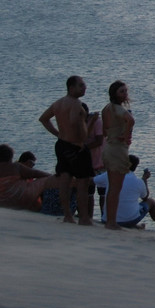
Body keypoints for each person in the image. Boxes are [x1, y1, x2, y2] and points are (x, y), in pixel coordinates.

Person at [38, 75, 95, 224]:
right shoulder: (76, 103)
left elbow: (43, 119)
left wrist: (58, 133)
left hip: (62, 144)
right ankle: (84, 218)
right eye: (81, 85)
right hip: (75, 146)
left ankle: (67, 215)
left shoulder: (58, 103)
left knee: (65, 180)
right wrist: (83, 136)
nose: (84, 88)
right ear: (71, 88)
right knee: (83, 182)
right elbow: (74, 122)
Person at [92, 154, 155, 232]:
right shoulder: (138, 181)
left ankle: (135, 226)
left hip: (106, 220)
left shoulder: (110, 175)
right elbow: (145, 197)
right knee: (151, 202)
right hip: (128, 220)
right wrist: (144, 179)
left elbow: (93, 181)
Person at [101, 80, 135, 231]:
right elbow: (131, 120)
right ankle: (111, 221)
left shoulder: (106, 109)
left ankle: (110, 219)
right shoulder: (118, 109)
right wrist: (126, 135)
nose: (125, 94)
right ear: (114, 93)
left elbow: (104, 131)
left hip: (108, 147)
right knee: (115, 188)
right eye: (122, 91)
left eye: (125, 91)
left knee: (112, 188)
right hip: (117, 149)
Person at [0, 144, 60, 210]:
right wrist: (55, 177)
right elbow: (36, 173)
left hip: (2, 201)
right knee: (48, 180)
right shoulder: (15, 166)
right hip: (19, 197)